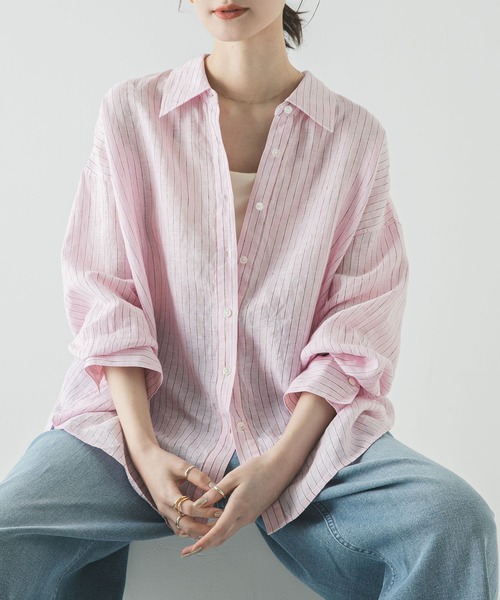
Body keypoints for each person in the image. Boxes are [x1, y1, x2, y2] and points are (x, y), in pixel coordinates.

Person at [0, 1, 497, 598]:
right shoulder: (132, 113)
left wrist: (278, 468)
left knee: (455, 523)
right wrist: (146, 452)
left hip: (304, 440)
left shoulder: (354, 140)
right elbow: (108, 300)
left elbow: (356, 328)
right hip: (133, 429)